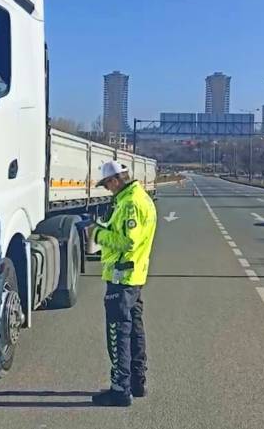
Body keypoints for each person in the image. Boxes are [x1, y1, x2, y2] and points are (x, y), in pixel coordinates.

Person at [88, 160, 158, 407]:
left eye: (108, 184)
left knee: (118, 332)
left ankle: (120, 389)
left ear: (116, 179)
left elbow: (127, 242)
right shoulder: (139, 198)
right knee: (135, 329)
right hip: (134, 276)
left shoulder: (129, 204)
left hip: (122, 276)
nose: (108, 189)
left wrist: (97, 234)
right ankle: (137, 382)